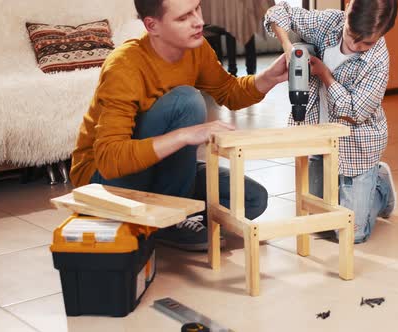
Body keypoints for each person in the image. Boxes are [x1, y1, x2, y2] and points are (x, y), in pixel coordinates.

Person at [70, 0, 288, 251]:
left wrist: (269, 77)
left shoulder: (196, 48)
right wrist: (184, 135)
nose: (198, 21)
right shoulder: (125, 65)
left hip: (161, 166)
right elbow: (110, 160)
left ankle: (158, 218)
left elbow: (229, 92)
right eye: (183, 17)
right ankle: (171, 219)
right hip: (102, 180)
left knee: (252, 200)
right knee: (186, 100)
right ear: (152, 25)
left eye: (197, 8)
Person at [264, 0, 398, 243]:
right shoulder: (328, 23)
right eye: (351, 35)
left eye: (366, 42)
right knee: (319, 221)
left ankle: (380, 186)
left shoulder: (378, 61)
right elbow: (278, 11)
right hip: (320, 139)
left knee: (351, 234)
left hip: (356, 146)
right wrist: (286, 45)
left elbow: (355, 111)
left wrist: (325, 74)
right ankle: (356, 192)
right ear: (347, 9)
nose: (355, 46)